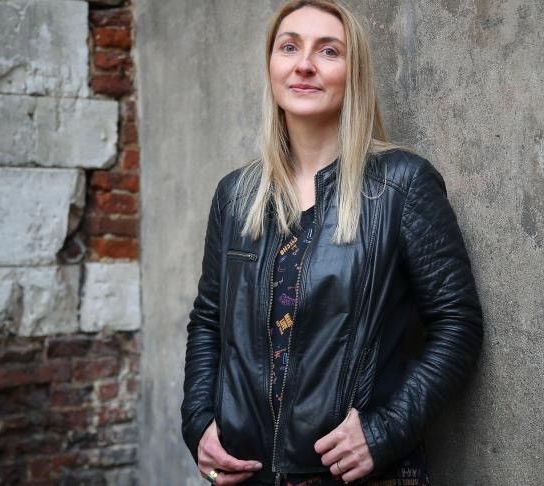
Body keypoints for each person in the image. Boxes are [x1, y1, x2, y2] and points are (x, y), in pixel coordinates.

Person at [181, 1, 483, 485]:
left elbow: (457, 324)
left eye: (328, 51)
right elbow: (208, 319)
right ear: (272, 65)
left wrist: (384, 432)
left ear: (353, 73)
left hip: (358, 475)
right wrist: (198, 423)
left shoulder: (401, 185)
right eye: (289, 47)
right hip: (248, 474)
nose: (304, 64)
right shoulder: (236, 195)